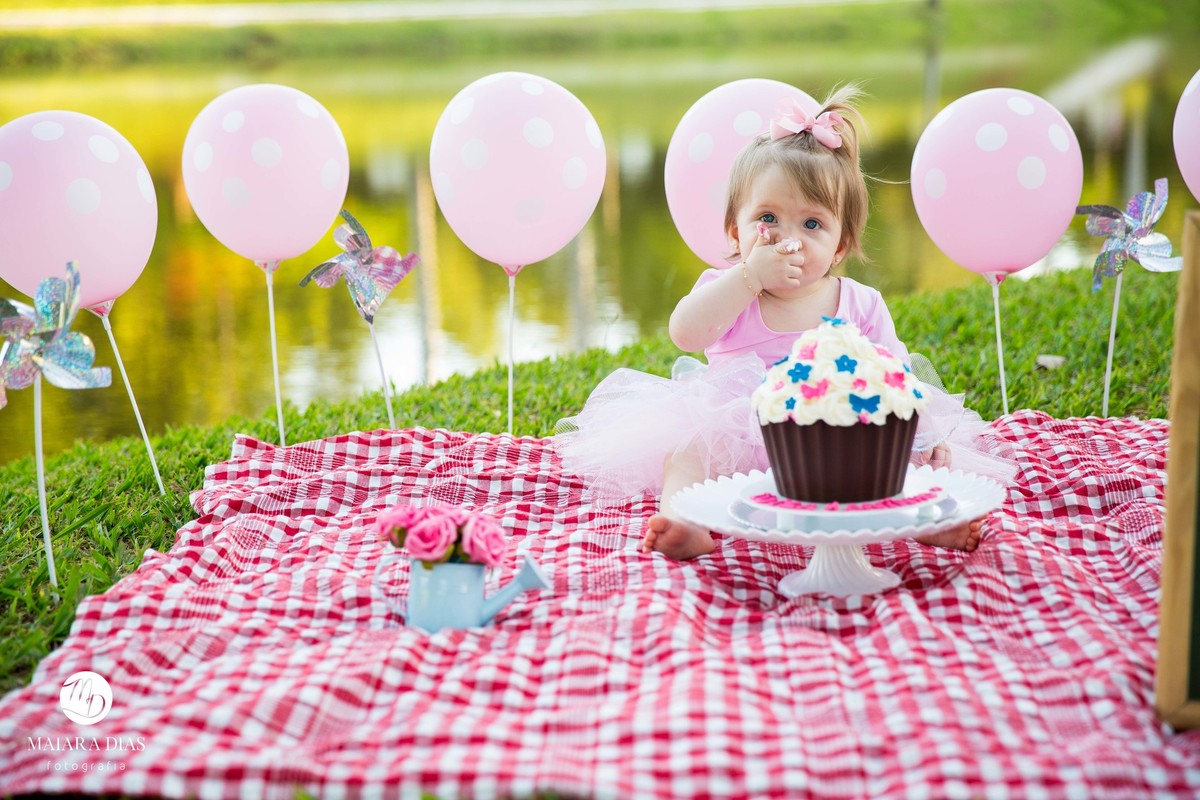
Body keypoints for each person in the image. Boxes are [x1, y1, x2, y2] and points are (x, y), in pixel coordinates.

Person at [554, 85, 1015, 561]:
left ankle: (928, 520)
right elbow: (685, 333)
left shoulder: (859, 302)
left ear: (840, 245)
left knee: (908, 460)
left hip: (836, 431)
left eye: (812, 224)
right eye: (768, 218)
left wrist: (924, 437)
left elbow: (896, 379)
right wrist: (749, 277)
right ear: (737, 230)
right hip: (742, 432)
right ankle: (685, 520)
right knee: (688, 453)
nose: (788, 240)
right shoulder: (730, 288)